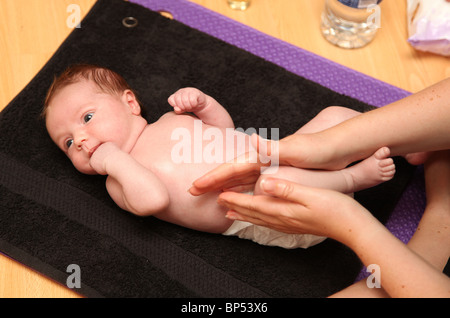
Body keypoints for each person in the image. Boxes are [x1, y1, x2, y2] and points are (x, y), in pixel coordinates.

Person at [43, 64, 396, 249]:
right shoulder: (118, 181)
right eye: (69, 143)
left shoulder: (170, 119)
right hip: (272, 213)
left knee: (335, 116)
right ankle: (352, 179)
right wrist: (112, 160)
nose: (83, 140)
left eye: (87, 119)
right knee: (276, 182)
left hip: (284, 155)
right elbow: (153, 199)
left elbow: (224, 130)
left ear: (130, 103)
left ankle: (403, 138)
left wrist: (205, 105)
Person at [189, 77, 450, 297]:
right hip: (283, 203)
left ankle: (352, 174)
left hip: (280, 200)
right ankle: (363, 163)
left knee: (276, 178)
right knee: (330, 122)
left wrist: (352, 222)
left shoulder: (168, 121)